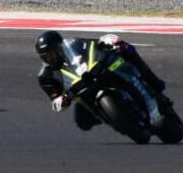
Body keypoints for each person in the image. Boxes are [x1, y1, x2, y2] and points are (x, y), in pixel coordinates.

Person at [35, 30, 171, 130]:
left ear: (59, 48)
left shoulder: (74, 44)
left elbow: (94, 45)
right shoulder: (45, 77)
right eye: (45, 57)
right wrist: (61, 101)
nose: (49, 59)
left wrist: (108, 43)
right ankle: (108, 118)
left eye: (51, 54)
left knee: (125, 49)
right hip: (81, 94)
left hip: (97, 74)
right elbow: (55, 102)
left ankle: (152, 82)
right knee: (82, 122)